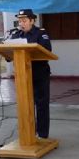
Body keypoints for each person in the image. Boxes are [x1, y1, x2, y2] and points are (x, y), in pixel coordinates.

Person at [12, 9, 53, 139]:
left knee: (41, 105)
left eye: (24, 20)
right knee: (25, 104)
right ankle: (29, 133)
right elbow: (9, 53)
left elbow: (46, 50)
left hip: (39, 75)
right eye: (19, 21)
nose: (21, 23)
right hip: (22, 76)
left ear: (32, 20)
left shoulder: (41, 33)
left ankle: (42, 134)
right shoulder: (16, 35)